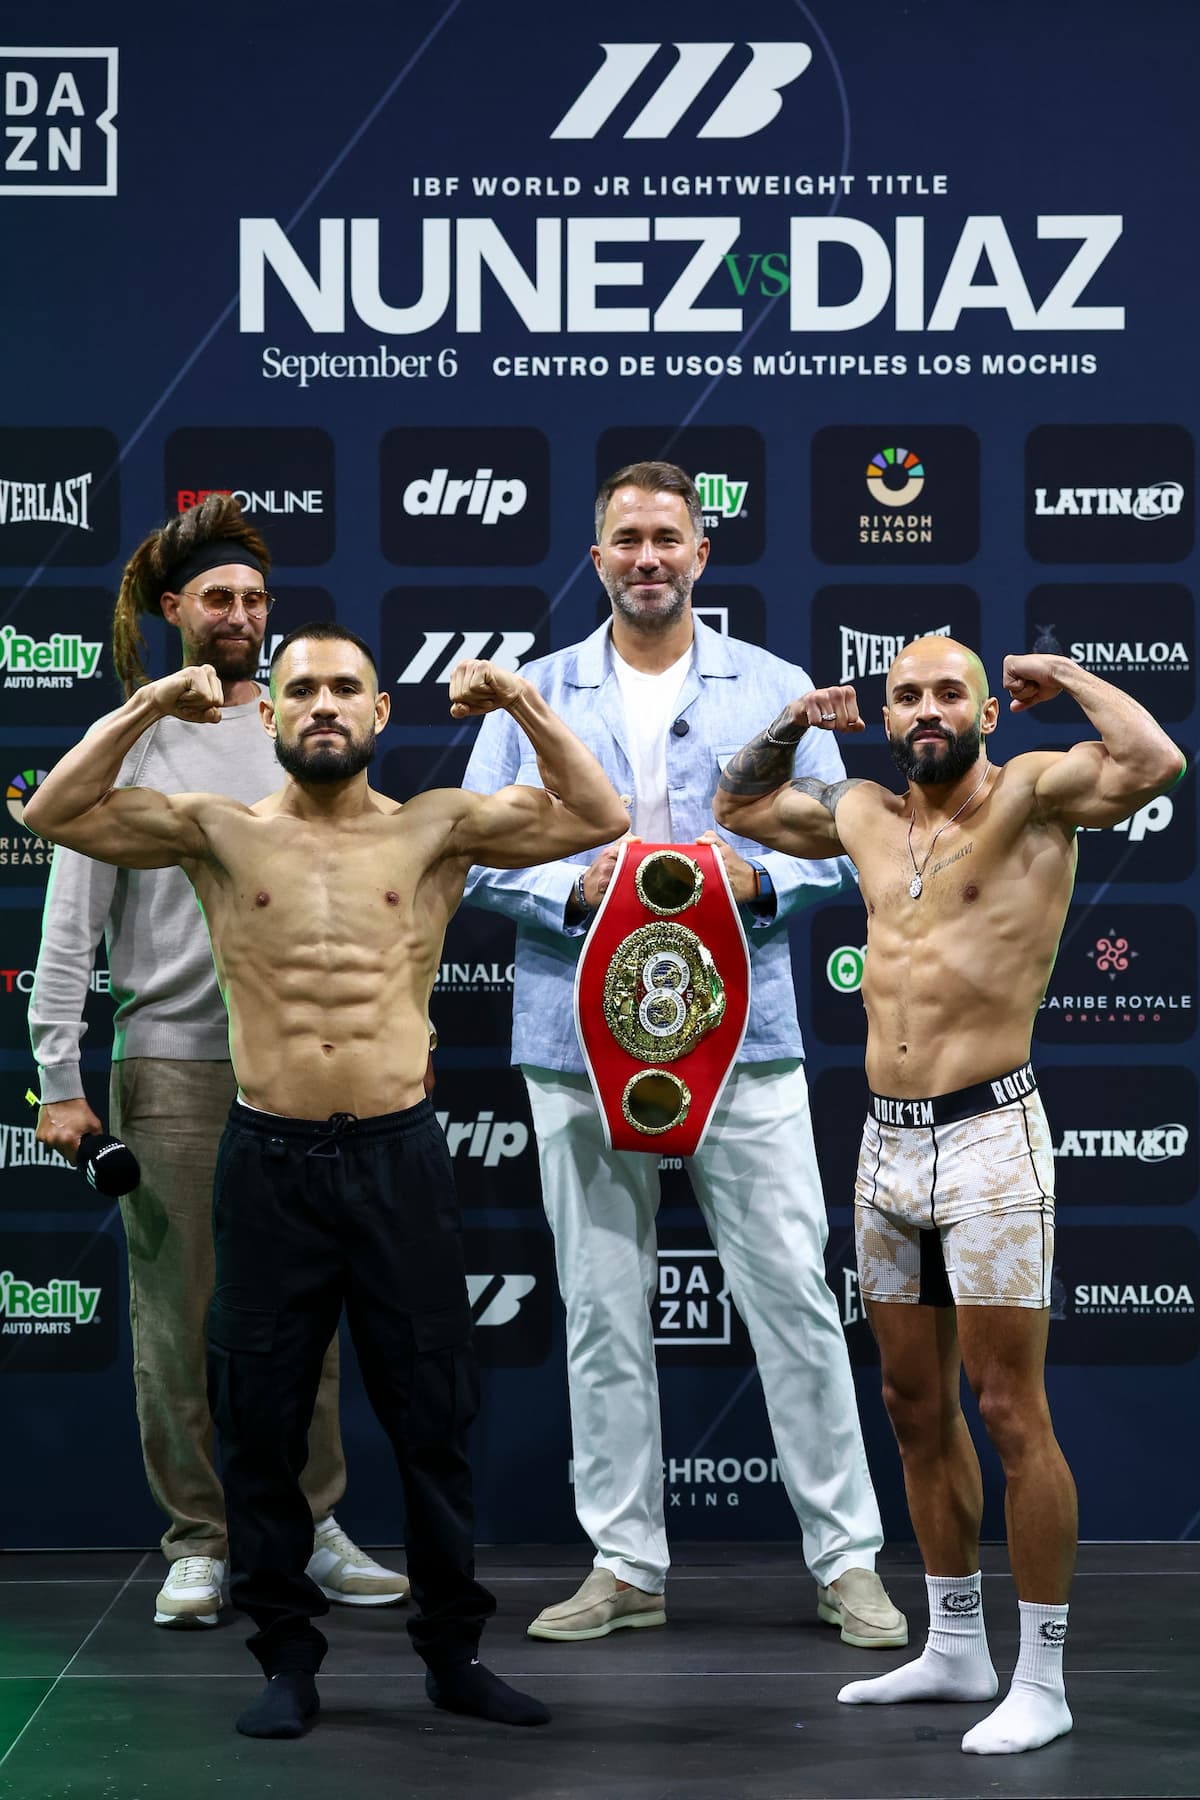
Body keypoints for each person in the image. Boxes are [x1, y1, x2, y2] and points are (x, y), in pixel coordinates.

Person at [23, 619, 630, 1739]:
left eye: (345, 689)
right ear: (270, 713)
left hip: (397, 1158)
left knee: (433, 1420)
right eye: (300, 690)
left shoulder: (437, 830)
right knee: (258, 1424)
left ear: (378, 712)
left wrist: (520, 703)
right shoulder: (218, 831)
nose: (322, 707)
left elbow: (602, 817)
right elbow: (51, 811)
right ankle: (287, 1657)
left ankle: (452, 1654)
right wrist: (156, 705)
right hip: (270, 1161)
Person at [462, 461, 905, 1651]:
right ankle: (624, 1564)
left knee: (796, 1305)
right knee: (604, 1312)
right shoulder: (535, 695)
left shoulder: (773, 688)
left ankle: (848, 1562)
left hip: (744, 1036)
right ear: (596, 557)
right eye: (625, 539)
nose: (647, 557)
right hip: (574, 1040)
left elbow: (843, 842)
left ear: (703, 555)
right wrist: (575, 883)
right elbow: (475, 850)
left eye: (667, 538)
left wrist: (766, 877)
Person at [712, 636, 1184, 1755]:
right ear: (886, 716)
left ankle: (1045, 1677)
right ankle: (956, 1645)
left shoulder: (1033, 794)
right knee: (912, 1409)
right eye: (907, 696)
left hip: (990, 1144)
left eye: (947, 695)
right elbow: (738, 805)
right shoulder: (865, 812)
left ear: (986, 709)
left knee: (1010, 1412)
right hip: (888, 1150)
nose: (926, 710)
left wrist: (1063, 675)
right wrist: (792, 723)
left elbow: (1155, 762)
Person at [29, 496, 406, 1628]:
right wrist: (58, 1075)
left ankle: (313, 1521)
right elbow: (67, 922)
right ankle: (199, 1537)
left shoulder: (309, 725)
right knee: (179, 1317)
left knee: (309, 1321)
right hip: (181, 1069)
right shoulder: (132, 741)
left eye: (253, 600)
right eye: (217, 600)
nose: (238, 616)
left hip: (298, 1071)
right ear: (176, 611)